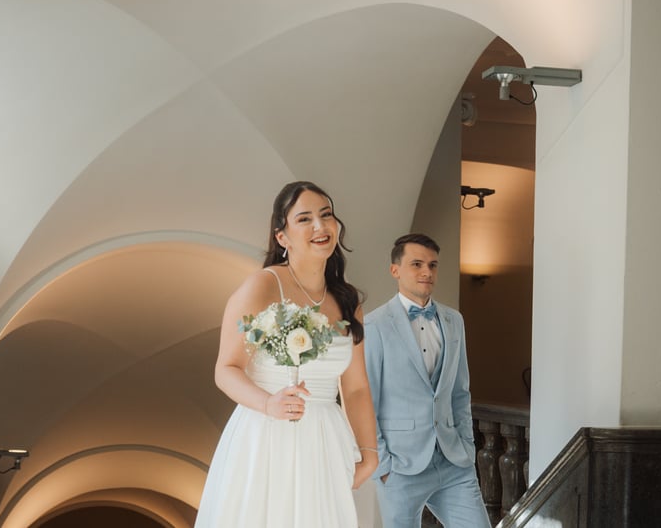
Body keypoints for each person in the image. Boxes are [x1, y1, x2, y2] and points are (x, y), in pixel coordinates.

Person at [195, 181, 378, 527]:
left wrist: (369, 454)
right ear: (282, 237)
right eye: (305, 219)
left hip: (326, 442)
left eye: (326, 215)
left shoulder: (348, 300)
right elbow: (226, 369)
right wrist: (268, 403)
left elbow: (355, 387)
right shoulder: (263, 286)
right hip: (267, 435)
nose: (320, 226)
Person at [364, 233, 489, 528]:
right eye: (417, 264)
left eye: (432, 265)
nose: (426, 272)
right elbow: (366, 401)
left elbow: (460, 391)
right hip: (400, 465)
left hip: (453, 460)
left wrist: (467, 447)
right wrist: (383, 465)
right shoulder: (374, 325)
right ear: (395, 270)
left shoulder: (454, 320)